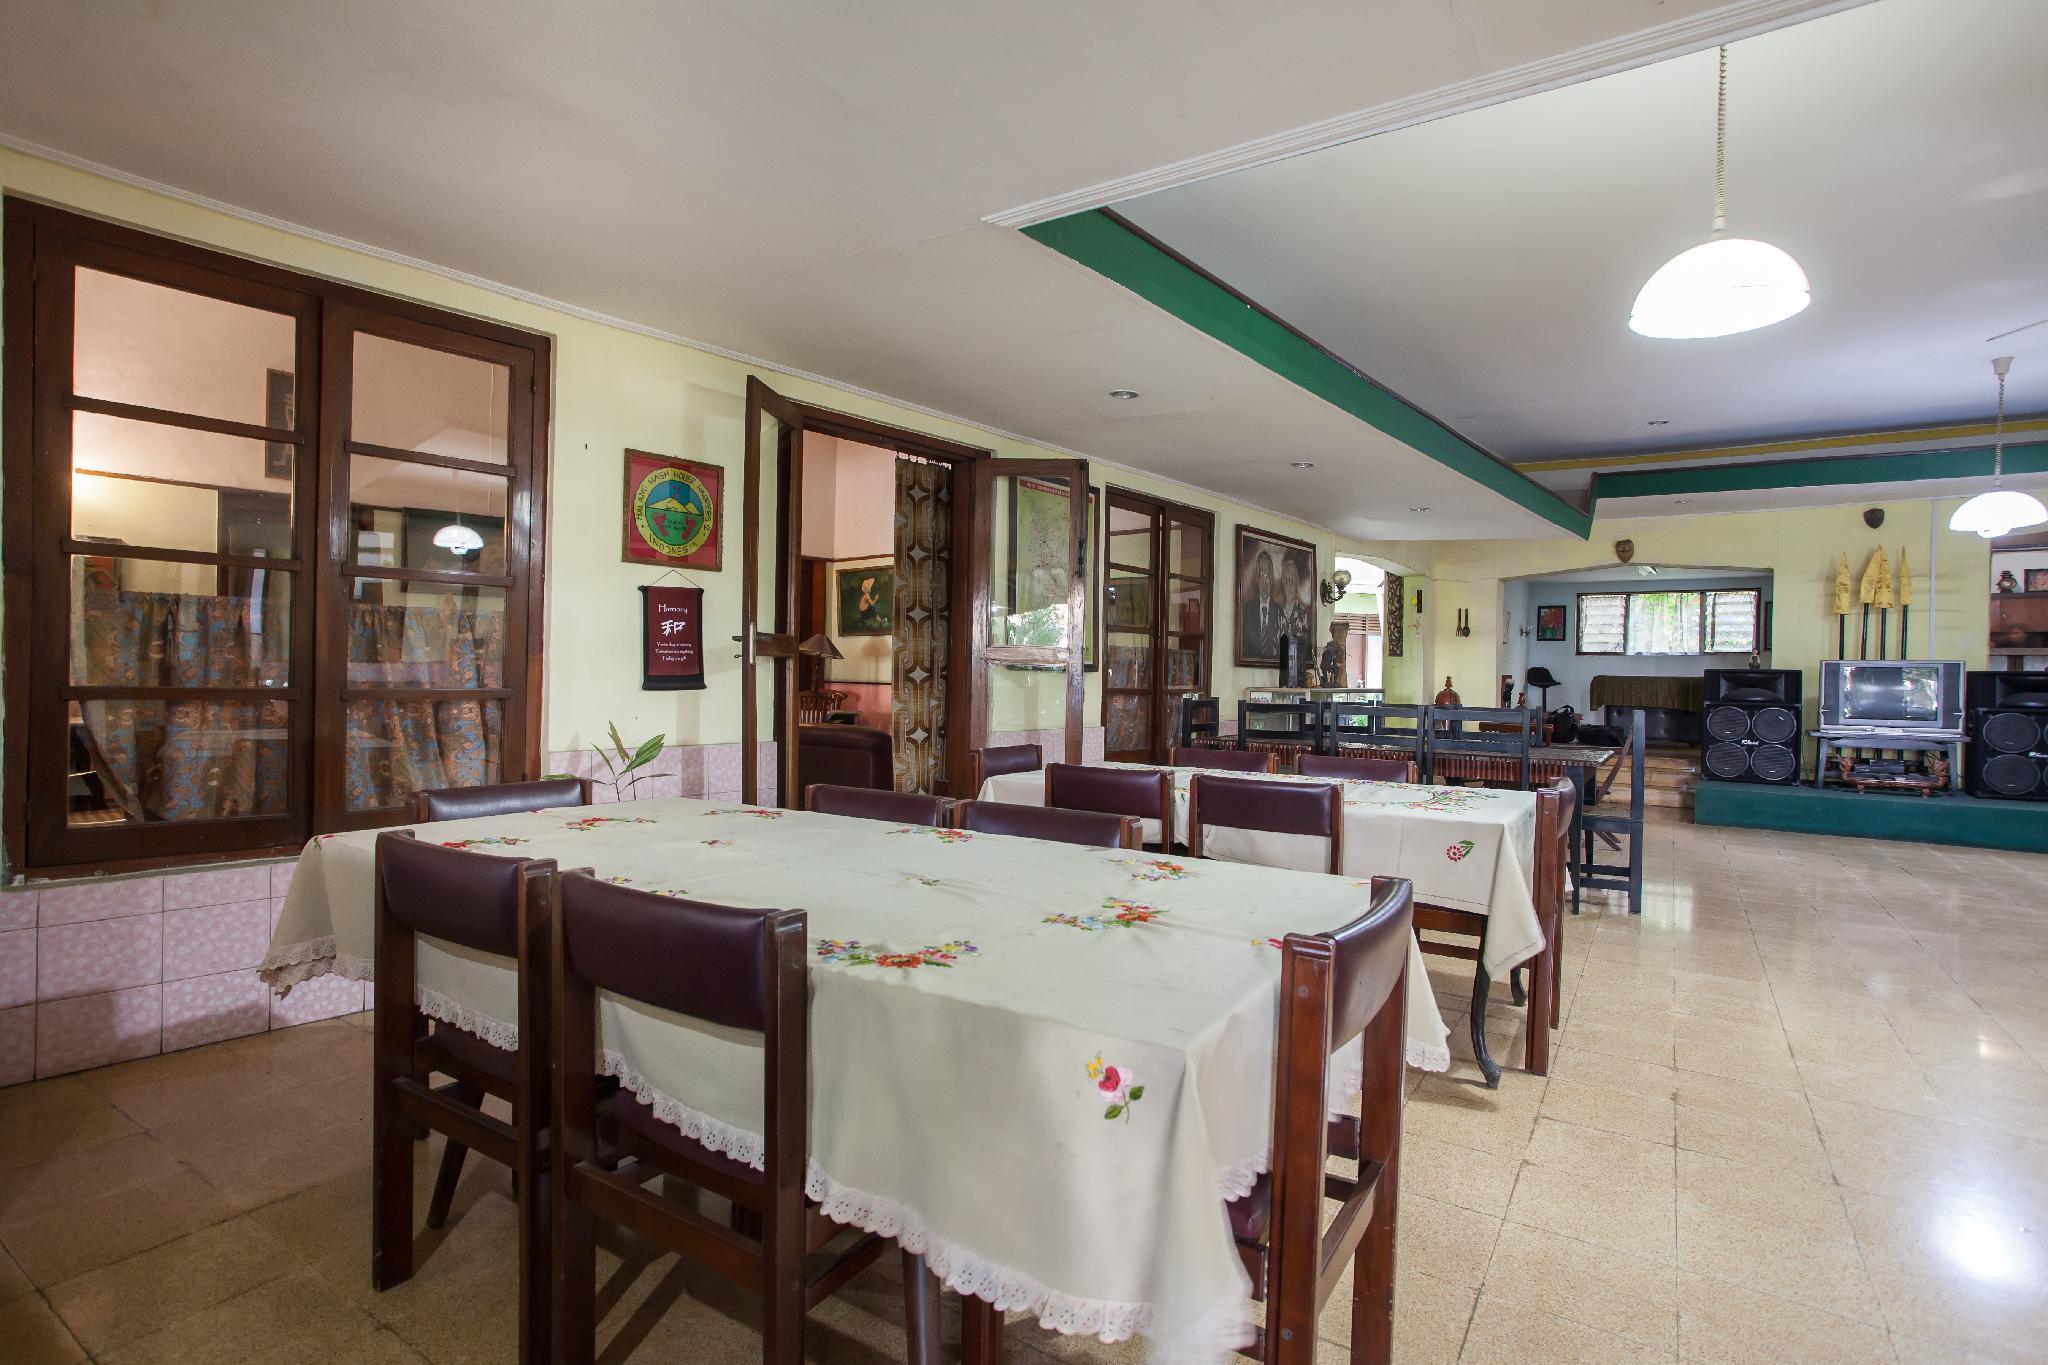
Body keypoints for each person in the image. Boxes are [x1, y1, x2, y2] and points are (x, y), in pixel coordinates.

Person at [1240, 551, 1278, 658]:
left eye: (1267, 576)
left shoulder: (1279, 611)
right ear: (1257, 579)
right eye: (1261, 575)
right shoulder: (1247, 610)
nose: (1264, 581)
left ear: (1272, 579)